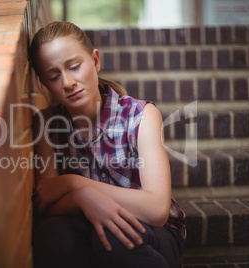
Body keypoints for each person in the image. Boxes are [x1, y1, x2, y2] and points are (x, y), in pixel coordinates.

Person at [29, 21, 186, 268]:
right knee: (51, 233)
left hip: (153, 233)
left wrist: (76, 184)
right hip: (86, 227)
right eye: (54, 75)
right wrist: (83, 199)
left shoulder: (141, 115)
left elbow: (156, 209)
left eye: (74, 67)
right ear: (43, 84)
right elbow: (46, 205)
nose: (68, 82)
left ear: (95, 61)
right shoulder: (47, 124)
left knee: (114, 239)